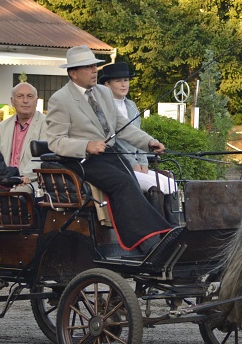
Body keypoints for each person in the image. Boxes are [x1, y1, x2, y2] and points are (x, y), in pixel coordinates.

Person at [45, 45, 179, 253]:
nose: (94, 70)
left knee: (133, 181)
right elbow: (56, 141)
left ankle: (153, 237)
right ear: (73, 73)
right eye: (88, 67)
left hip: (109, 155)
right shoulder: (60, 99)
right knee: (123, 182)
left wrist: (148, 142)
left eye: (95, 66)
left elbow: (120, 127)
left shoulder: (103, 93)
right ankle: (152, 240)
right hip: (80, 160)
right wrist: (86, 145)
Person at [99, 61, 176, 194]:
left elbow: (138, 134)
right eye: (118, 81)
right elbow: (114, 141)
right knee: (157, 186)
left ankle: (169, 215)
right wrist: (132, 163)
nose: (124, 84)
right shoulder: (103, 108)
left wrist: (143, 162)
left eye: (126, 80)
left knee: (171, 185)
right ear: (107, 84)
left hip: (137, 163)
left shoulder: (132, 106)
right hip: (120, 164)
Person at [0, 82, 47, 182]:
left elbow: (43, 159)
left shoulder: (47, 124)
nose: (25, 101)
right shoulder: (2, 126)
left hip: (33, 182)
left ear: (36, 101)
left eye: (30, 96)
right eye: (20, 96)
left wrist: (19, 178)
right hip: (3, 181)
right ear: (12, 101)